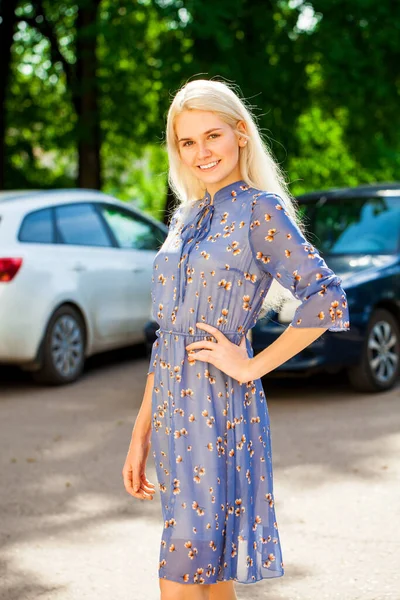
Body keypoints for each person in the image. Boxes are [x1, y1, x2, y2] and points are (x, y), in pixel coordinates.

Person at [122, 78, 350, 600]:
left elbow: (327, 298)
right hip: (171, 417)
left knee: (180, 575)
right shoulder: (186, 216)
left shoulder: (259, 210)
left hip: (219, 409)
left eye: (213, 135)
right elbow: (169, 337)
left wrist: (250, 365)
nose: (202, 152)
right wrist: (140, 435)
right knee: (213, 574)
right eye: (187, 141)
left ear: (241, 134)